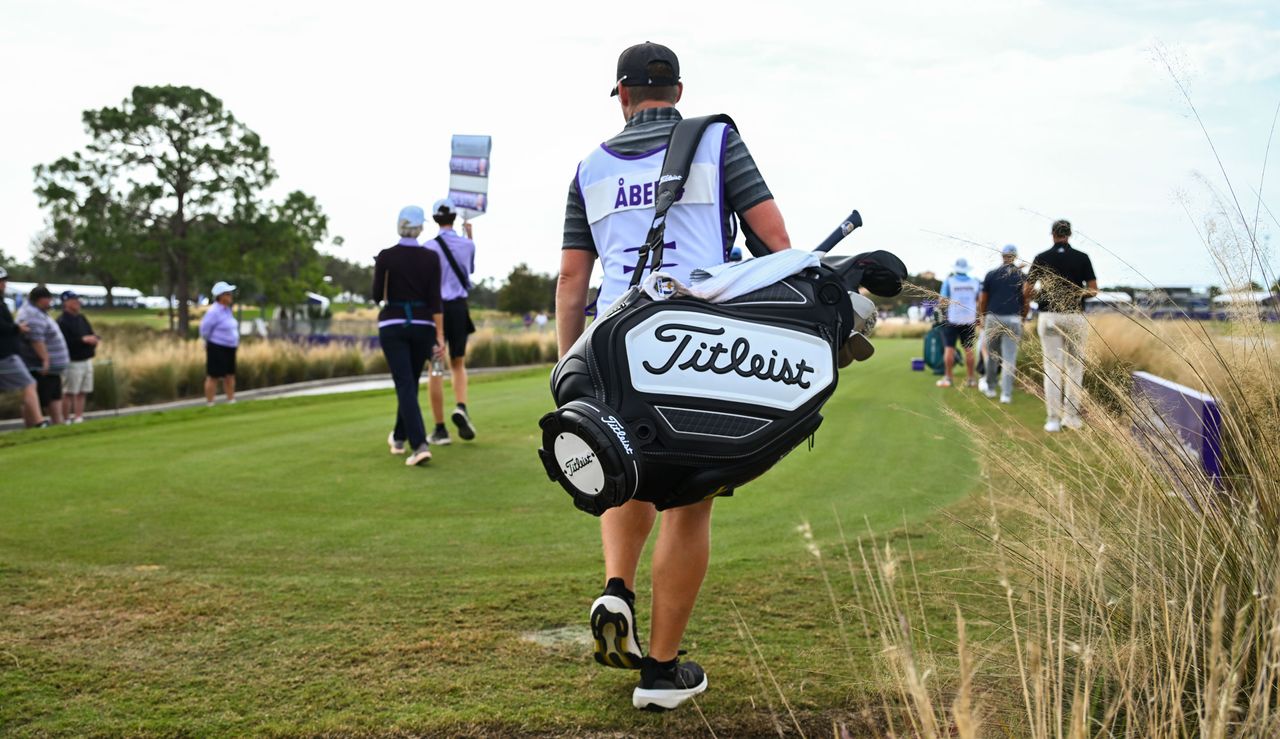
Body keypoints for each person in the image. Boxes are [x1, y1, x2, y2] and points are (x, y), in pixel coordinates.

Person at [557, 41, 792, 711]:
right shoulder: (715, 140)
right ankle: (660, 672)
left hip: (610, 343)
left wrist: (566, 361)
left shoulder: (589, 167)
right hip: (694, 341)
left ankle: (615, 587)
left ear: (622, 96)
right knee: (689, 496)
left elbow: (573, 277)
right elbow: (774, 238)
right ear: (678, 92)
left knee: (623, 464)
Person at [373, 205, 446, 466]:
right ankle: (400, 437)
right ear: (420, 228)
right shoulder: (430, 258)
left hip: (393, 325)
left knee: (405, 382)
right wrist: (440, 335)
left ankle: (419, 445)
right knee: (410, 382)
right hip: (424, 326)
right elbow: (435, 300)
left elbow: (376, 296)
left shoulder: (386, 256)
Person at [1025, 219, 1097, 432]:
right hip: (1075, 316)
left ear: (1053, 234)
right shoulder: (1082, 258)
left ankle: (1053, 420)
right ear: (1070, 234)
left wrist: (1042, 295)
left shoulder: (1041, 258)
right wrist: (1074, 293)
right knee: (1075, 368)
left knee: (1052, 368)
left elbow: (1027, 291)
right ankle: (1072, 419)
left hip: (1049, 316)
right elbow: (1093, 290)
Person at [424, 198, 478, 446]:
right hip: (458, 308)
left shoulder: (428, 248)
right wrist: (470, 238)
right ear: (454, 218)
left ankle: (440, 429)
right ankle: (461, 407)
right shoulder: (468, 245)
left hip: (436, 310)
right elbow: (470, 272)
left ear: (435, 219)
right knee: (458, 363)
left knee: (436, 367)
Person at [977, 245, 1026, 403]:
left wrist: (983, 317)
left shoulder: (991, 274)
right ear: (1015, 256)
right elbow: (1026, 301)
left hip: (993, 318)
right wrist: (1023, 318)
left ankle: (991, 388)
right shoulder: (1021, 276)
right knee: (1009, 358)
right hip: (1013, 318)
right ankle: (1006, 394)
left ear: (1002, 256)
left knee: (992, 356)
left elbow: (983, 299)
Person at [16, 285, 70, 425]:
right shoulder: (31, 314)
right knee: (40, 398)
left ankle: (58, 425)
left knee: (54, 396)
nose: (50, 302)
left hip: (51, 369)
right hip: (40, 366)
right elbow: (36, 340)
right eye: (48, 299)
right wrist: (45, 360)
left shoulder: (39, 311)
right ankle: (34, 426)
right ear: (40, 300)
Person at [0, 267, 45, 427]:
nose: (4, 284)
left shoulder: (2, 301)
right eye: (2, 281)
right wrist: (17, 328)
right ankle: (38, 422)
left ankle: (30, 423)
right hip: (5, 355)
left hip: (8, 353)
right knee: (29, 383)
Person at [56, 290, 100, 423]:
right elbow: (65, 342)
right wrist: (83, 340)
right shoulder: (62, 321)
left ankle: (79, 417)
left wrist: (93, 339)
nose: (77, 303)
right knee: (69, 391)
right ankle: (66, 419)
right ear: (66, 303)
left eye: (77, 300)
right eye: (73, 300)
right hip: (72, 361)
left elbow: (90, 333)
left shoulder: (81, 318)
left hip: (86, 358)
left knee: (83, 390)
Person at [936, 258, 980, 389]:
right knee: (969, 350)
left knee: (949, 349)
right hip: (969, 320)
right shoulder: (975, 282)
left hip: (952, 319)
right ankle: (971, 379)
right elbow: (979, 300)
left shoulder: (949, 281)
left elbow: (942, 301)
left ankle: (948, 378)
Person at [200, 282, 240, 406]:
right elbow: (204, 329)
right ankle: (210, 403)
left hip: (230, 347)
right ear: (221, 296)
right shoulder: (214, 311)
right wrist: (207, 342)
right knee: (214, 376)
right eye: (228, 294)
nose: (230, 296)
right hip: (216, 346)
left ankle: (231, 400)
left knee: (230, 375)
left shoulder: (227, 310)